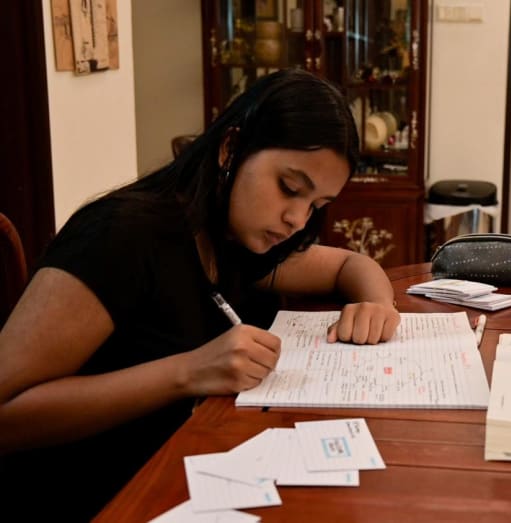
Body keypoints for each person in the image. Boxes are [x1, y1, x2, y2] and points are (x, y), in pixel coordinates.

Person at [0, 68, 401, 520]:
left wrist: (377, 305)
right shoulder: (120, 236)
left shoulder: (235, 237)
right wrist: (188, 371)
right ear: (231, 148)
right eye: (289, 188)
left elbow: (350, 265)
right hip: (87, 498)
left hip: (182, 475)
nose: (297, 219)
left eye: (316, 206)